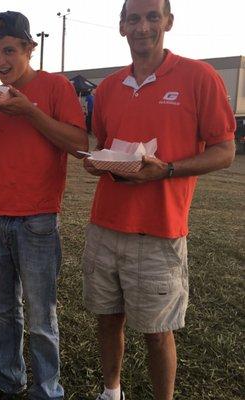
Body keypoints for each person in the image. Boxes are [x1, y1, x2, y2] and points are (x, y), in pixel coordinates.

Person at [81, 1, 236, 399]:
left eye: (153, 17)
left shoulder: (199, 76)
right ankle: (111, 391)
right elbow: (102, 144)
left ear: (168, 21)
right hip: (105, 225)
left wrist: (166, 169)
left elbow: (225, 150)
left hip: (160, 230)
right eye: (134, 18)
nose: (143, 26)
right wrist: (98, 164)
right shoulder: (110, 87)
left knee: (156, 331)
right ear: (121, 26)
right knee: (107, 319)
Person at [0, 11, 88, 400]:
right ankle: (8, 380)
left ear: (30, 49)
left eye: (9, 50)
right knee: (2, 310)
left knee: (40, 315)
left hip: (38, 219)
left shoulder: (54, 87)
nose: (1, 61)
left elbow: (79, 143)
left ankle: (48, 390)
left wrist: (29, 111)